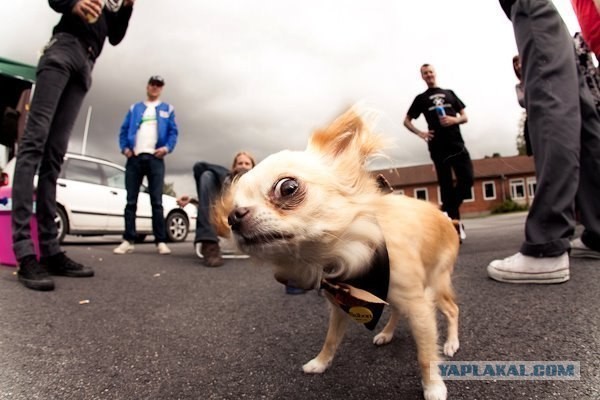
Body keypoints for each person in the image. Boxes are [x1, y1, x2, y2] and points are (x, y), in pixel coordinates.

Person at [11, 0, 135, 291]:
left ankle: (50, 249)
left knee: (55, 155)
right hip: (64, 46)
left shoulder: (113, 4)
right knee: (33, 145)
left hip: (87, 62)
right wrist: (74, 3)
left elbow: (115, 36)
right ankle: (24, 250)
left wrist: (128, 7)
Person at [488, 0, 600, 284]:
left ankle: (547, 245)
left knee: (550, 96)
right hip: (552, 16)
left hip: (533, 5)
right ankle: (598, 230)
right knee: (582, 112)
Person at [404, 64, 473, 241]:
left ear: (435, 73)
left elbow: (465, 117)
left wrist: (453, 119)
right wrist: (421, 134)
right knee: (447, 186)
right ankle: (455, 229)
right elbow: (407, 121)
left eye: (430, 72)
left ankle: (443, 212)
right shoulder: (421, 98)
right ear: (422, 77)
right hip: (438, 146)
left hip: (457, 143)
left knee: (467, 179)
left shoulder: (449, 93)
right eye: (425, 73)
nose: (429, 75)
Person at [113, 75, 178, 256]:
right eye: (153, 84)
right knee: (131, 201)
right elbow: (124, 130)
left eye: (159, 85)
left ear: (161, 88)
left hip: (155, 159)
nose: (155, 88)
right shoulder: (135, 108)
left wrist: (166, 148)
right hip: (134, 159)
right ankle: (128, 240)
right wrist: (125, 148)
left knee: (156, 201)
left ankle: (160, 241)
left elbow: (173, 132)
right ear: (147, 86)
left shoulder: (168, 109)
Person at [177, 151, 256, 267]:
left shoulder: (258, 184)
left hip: (248, 222)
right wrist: (191, 200)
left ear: (253, 167)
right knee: (207, 176)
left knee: (203, 171)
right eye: (240, 163)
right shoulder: (225, 183)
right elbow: (213, 201)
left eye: (247, 163)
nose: (243, 166)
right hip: (223, 222)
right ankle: (209, 244)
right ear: (234, 167)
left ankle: (208, 167)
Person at [513, 55, 532, 156]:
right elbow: (522, 102)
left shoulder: (535, 78)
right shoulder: (518, 87)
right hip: (531, 118)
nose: (518, 66)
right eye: (515, 65)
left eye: (519, 63)